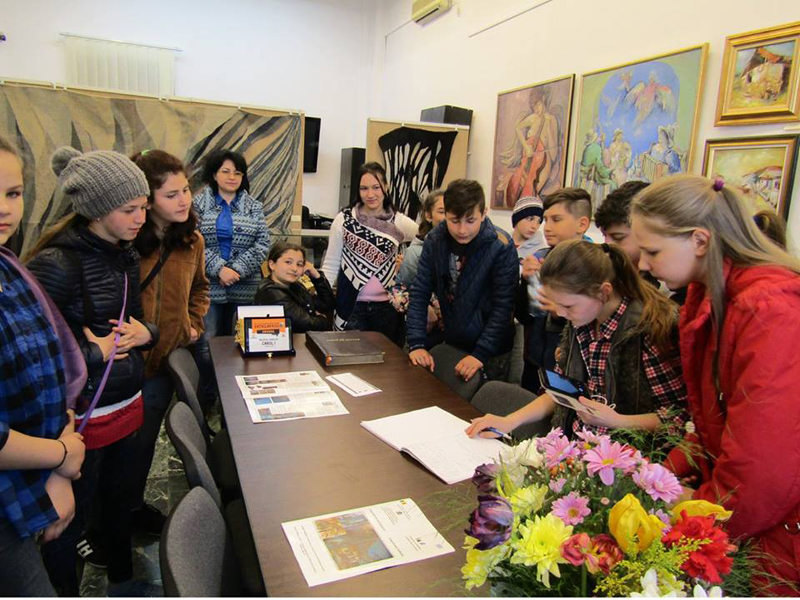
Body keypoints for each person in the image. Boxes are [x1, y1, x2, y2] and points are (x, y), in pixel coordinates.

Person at [630, 174, 800, 595]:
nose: (643, 265)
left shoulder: (769, 308)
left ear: (700, 241)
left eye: (652, 251)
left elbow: (762, 467)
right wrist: (660, 478)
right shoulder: (716, 297)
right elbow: (712, 425)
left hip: (777, 535)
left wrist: (694, 514)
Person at [26, 147, 160, 597]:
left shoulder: (124, 254)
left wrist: (147, 334)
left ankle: (122, 579)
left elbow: (136, 322)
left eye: (143, 206)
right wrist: (94, 352)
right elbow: (37, 353)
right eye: (130, 209)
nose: (141, 218)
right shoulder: (57, 263)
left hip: (126, 402)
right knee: (72, 520)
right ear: (97, 211)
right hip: (84, 416)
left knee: (119, 503)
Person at [467, 239, 686, 441]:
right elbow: (563, 392)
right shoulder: (582, 320)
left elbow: (679, 417)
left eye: (568, 306)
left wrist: (617, 421)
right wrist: (509, 421)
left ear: (603, 292)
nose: (561, 314)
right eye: (556, 304)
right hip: (577, 448)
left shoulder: (649, 331)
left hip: (628, 458)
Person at [0, 136, 87, 597]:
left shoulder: (9, 266)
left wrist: (59, 464)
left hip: (35, 470)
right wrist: (60, 455)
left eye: (13, 193)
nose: (5, 209)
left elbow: (53, 368)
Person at [130, 149, 210, 535]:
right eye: (171, 194)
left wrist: (193, 323)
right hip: (125, 360)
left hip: (165, 361)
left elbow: (200, 288)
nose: (183, 200)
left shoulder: (193, 241)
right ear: (147, 200)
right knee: (115, 451)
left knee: (145, 442)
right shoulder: (129, 239)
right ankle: (101, 523)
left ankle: (132, 507)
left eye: (186, 190)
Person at [407, 179, 518, 382]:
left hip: (491, 350)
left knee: (486, 399)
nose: (462, 230)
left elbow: (503, 307)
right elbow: (420, 292)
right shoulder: (435, 240)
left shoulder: (500, 246)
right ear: (445, 213)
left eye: (470, 221)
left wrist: (481, 353)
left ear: (484, 213)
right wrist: (416, 344)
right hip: (454, 341)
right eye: (454, 220)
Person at [193, 149, 270, 402]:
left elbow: (262, 244)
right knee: (207, 346)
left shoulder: (254, 206)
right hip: (209, 286)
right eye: (225, 171)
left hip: (244, 286)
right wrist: (219, 269)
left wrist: (236, 269)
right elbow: (192, 242)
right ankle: (207, 399)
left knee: (239, 345)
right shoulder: (197, 204)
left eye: (237, 172)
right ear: (214, 174)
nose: (231, 177)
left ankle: (234, 399)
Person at [320, 162, 417, 344]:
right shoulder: (344, 220)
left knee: (388, 359)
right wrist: (321, 299)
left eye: (376, 187)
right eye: (364, 188)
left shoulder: (399, 221)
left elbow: (425, 239)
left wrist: (407, 262)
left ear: (386, 187)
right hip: (351, 305)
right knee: (350, 357)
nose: (370, 194)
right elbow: (331, 264)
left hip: (388, 307)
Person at [516, 188, 591, 390]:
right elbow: (526, 316)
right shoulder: (541, 257)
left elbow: (592, 324)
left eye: (556, 220)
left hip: (569, 368)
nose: (547, 228)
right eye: (546, 220)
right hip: (534, 362)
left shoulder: (593, 267)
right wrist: (526, 281)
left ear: (582, 224)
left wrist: (560, 312)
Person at [254, 241, 335, 332]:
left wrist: (317, 276)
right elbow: (305, 324)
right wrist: (323, 320)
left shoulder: (295, 286)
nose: (294, 268)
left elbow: (327, 305)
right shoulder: (271, 292)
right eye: (288, 262)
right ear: (272, 264)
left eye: (299, 264)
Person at [395, 189, 445, 288]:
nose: (448, 216)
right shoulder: (415, 253)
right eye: (442, 211)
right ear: (428, 216)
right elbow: (401, 290)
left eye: (452, 211)